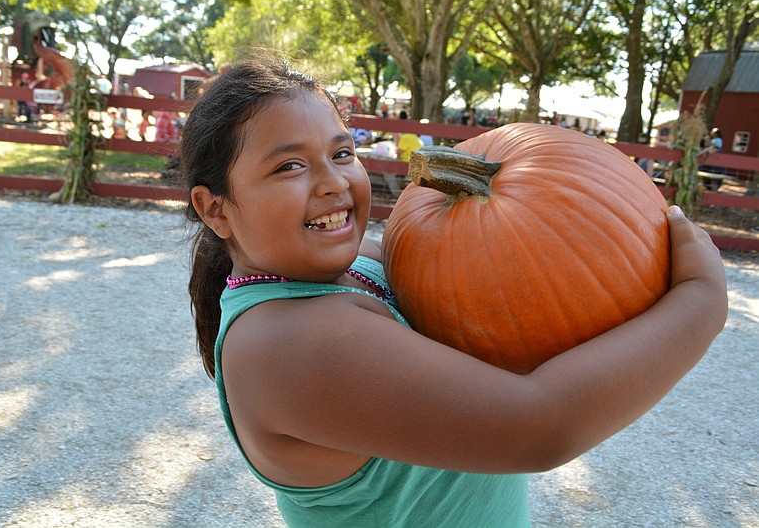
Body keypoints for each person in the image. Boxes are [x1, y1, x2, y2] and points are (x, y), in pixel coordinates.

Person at [179, 60, 727, 527]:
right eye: (290, 165)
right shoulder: (288, 345)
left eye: (342, 153)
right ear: (216, 209)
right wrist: (700, 301)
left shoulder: (367, 263)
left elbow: (515, 301)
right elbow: (539, 426)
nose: (333, 182)